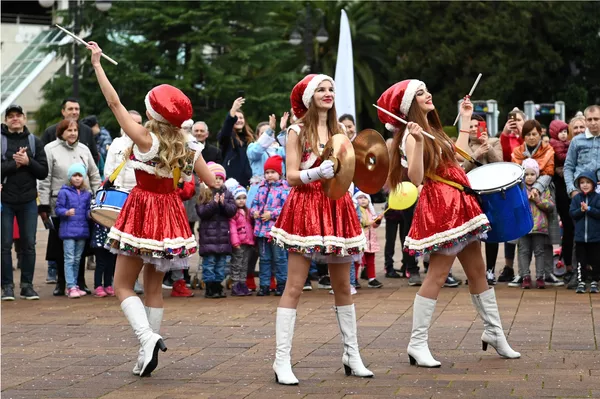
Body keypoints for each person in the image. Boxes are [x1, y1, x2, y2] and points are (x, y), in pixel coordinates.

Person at [87, 42, 215, 377]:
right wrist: (203, 183)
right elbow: (213, 182)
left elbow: (114, 103)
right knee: (154, 288)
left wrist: (98, 64)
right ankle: (147, 353)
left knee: (121, 285)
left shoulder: (145, 139)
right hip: (170, 215)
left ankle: (147, 338)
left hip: (142, 211)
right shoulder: (189, 146)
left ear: (152, 113)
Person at [379, 79, 520, 368]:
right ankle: (417, 344)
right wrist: (417, 143)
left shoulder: (433, 129)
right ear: (408, 106)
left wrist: (466, 118)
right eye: (420, 93)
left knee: (478, 271)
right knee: (438, 275)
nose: (428, 94)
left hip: (459, 202)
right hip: (442, 207)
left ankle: (494, 333)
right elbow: (416, 178)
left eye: (426, 89)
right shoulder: (412, 134)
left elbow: (455, 157)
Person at [269, 74, 372, 385]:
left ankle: (352, 355)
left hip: (337, 204)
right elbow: (289, 176)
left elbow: (348, 171)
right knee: (295, 286)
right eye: (321, 90)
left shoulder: (340, 131)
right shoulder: (296, 131)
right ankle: (281, 360)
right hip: (306, 206)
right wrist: (316, 171)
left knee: (343, 286)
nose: (328, 94)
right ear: (308, 97)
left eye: (330, 89)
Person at [39, 118, 101, 297]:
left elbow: (94, 175)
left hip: (82, 205)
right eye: (69, 130)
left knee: (81, 245)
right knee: (60, 247)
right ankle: (62, 282)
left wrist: (98, 198)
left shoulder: (84, 149)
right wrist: (43, 204)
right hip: (60, 204)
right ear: (61, 132)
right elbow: (45, 178)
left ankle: (80, 282)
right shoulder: (50, 149)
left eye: (75, 130)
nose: (72, 133)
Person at [1, 104, 48, 301]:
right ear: (6, 120)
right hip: (5, 200)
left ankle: (27, 286)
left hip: (28, 200)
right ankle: (7, 287)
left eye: (18, 115)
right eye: (10, 116)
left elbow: (43, 172)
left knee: (29, 244)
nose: (14, 119)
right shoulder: (1, 141)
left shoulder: (34, 142)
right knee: (4, 245)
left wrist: (29, 162)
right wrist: (15, 163)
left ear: (24, 118)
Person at [512, 119, 563, 288]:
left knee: (546, 239)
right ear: (523, 136)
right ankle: (522, 274)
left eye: (534, 134)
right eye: (528, 134)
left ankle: (547, 273)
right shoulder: (517, 152)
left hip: (544, 193)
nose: (532, 137)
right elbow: (514, 173)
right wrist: (526, 189)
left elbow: (548, 172)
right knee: (522, 243)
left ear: (540, 133)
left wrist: (537, 188)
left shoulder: (548, 150)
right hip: (522, 194)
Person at [464, 114, 503, 285]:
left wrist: (487, 146)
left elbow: (499, 163)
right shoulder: (462, 145)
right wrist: (476, 153)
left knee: (491, 233)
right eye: (470, 126)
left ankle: (490, 270)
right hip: (471, 193)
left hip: (490, 193)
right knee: (473, 234)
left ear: (483, 126)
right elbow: (461, 169)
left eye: (476, 125)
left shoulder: (494, 141)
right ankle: (474, 272)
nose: (473, 129)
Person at [250, 155, 290, 297]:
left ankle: (282, 284)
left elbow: (286, 208)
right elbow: (254, 204)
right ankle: (264, 285)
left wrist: (271, 214)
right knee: (264, 259)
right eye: (267, 172)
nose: (269, 175)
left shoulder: (284, 189)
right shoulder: (261, 188)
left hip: (276, 231)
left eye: (273, 172)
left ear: (280, 173)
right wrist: (254, 212)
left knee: (279, 258)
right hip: (261, 231)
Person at [196, 162, 236, 299]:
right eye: (215, 178)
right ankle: (209, 287)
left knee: (221, 264)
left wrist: (223, 204)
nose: (217, 181)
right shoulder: (204, 193)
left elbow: (232, 211)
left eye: (220, 178)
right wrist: (214, 203)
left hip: (223, 237)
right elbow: (202, 212)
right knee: (209, 263)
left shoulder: (228, 194)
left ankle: (218, 286)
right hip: (208, 237)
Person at [496, 108, 526, 283]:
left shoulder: (527, 137)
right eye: (512, 120)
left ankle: (524, 269)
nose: (515, 123)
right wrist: (506, 133)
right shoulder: (506, 138)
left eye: (519, 120)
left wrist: (522, 132)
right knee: (510, 227)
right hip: (510, 186)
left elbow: (525, 150)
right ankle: (508, 266)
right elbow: (505, 154)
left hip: (526, 185)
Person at [55, 164, 92, 298]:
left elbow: (88, 209)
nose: (77, 179)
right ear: (70, 177)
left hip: (82, 231)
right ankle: (70, 286)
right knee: (69, 259)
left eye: (80, 175)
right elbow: (58, 209)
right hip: (68, 231)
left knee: (77, 259)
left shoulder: (87, 194)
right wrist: (66, 212)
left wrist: (91, 214)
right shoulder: (64, 192)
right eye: (74, 175)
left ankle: (75, 284)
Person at [517, 159, 555, 289]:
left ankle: (540, 276)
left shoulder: (543, 189)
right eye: (526, 174)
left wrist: (538, 200)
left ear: (537, 175)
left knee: (540, 252)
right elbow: (513, 206)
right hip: (523, 227)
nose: (529, 177)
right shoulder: (519, 188)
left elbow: (550, 206)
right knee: (523, 251)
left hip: (539, 227)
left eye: (532, 174)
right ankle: (525, 276)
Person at [548, 120, 575, 282]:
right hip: (562, 187)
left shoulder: (568, 143)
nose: (564, 134)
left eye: (566, 131)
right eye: (561, 131)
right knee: (568, 225)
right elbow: (561, 157)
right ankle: (569, 264)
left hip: (571, 185)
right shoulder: (556, 145)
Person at [41, 97, 99, 162]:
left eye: (77, 109)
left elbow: (94, 156)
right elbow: (43, 157)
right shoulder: (50, 132)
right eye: (70, 109)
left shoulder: (87, 131)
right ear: (63, 112)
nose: (74, 112)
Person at [569, 171, 600, 294]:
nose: (585, 185)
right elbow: (572, 214)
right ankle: (581, 281)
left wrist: (589, 209)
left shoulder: (597, 198)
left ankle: (594, 281)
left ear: (593, 184)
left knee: (595, 260)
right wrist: (581, 210)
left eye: (588, 182)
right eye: (582, 182)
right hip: (580, 237)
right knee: (581, 261)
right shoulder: (577, 198)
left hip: (595, 237)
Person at [225, 180, 254, 296]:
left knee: (244, 264)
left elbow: (250, 227)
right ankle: (235, 284)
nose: (241, 200)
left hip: (247, 242)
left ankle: (243, 283)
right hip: (238, 243)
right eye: (238, 198)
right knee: (236, 263)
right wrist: (235, 242)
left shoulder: (248, 212)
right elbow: (232, 229)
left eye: (243, 198)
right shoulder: (234, 213)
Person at [217, 97, 254, 187]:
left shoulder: (250, 139)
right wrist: (233, 110)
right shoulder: (227, 138)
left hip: (248, 183)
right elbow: (226, 129)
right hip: (231, 183)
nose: (239, 120)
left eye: (241, 118)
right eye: (236, 118)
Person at [353, 191, 383, 288]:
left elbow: (374, 226)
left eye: (365, 198)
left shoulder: (370, 211)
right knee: (357, 261)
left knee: (370, 261)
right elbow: (363, 223)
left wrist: (378, 221)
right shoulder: (357, 211)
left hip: (371, 241)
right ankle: (354, 279)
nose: (363, 199)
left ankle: (372, 278)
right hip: (361, 241)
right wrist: (373, 221)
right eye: (360, 198)